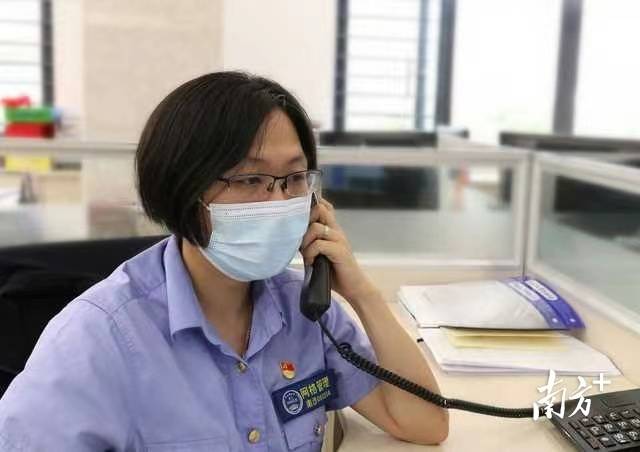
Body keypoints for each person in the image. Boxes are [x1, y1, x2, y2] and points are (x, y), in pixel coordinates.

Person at [0, 72, 448, 451]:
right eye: (250, 179)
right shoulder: (99, 337)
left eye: (294, 178)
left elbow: (424, 423)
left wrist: (361, 292)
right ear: (183, 189)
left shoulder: (305, 310)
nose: (278, 201)